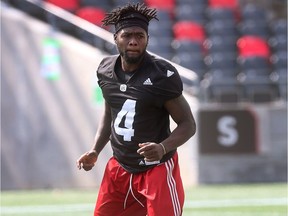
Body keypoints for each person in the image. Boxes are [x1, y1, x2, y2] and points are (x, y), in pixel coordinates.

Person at [76, 3, 196, 216]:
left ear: (147, 39)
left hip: (156, 169)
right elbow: (110, 113)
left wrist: (162, 147)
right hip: (119, 167)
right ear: (115, 38)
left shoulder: (162, 74)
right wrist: (96, 149)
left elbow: (188, 124)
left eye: (140, 36)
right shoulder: (105, 70)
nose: (133, 41)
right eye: (127, 35)